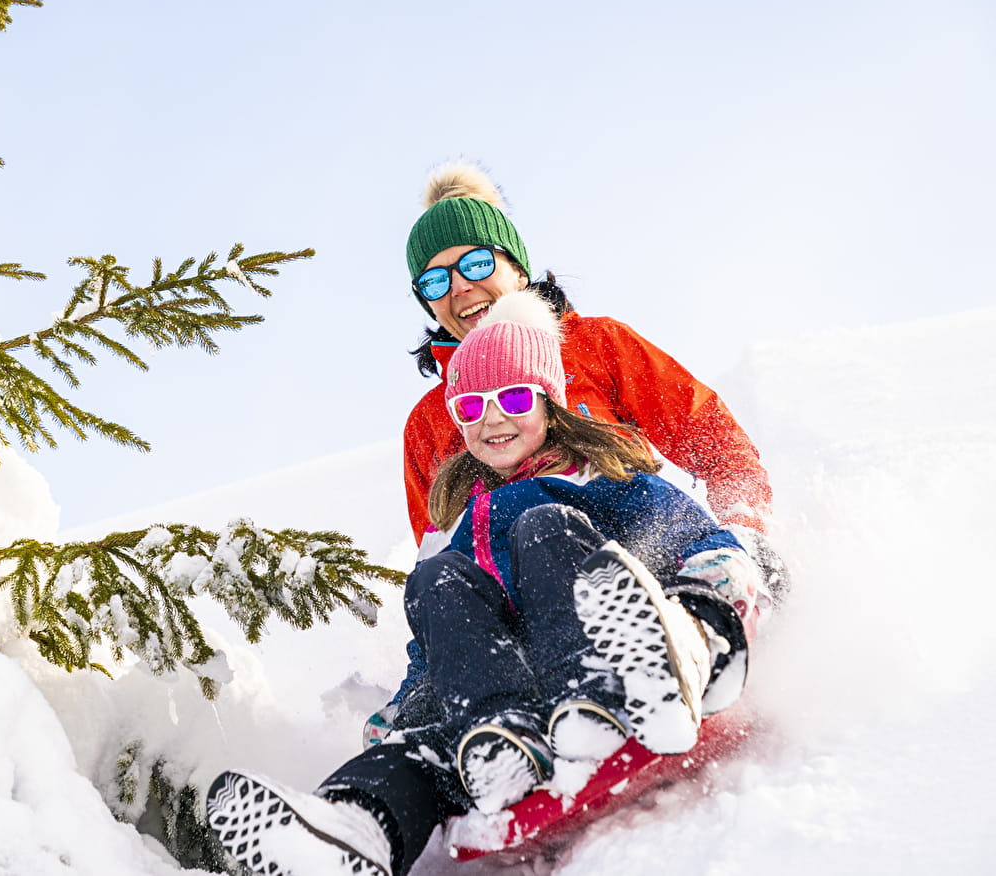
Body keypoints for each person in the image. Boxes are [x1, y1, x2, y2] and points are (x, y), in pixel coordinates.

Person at [205, 293, 767, 876]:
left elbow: (682, 529)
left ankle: (624, 686)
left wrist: (719, 577)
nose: (492, 418)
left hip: (608, 653)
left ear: (553, 402)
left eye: (515, 397)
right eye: (470, 407)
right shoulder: (458, 519)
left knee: (544, 527)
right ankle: (358, 823)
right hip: (501, 701)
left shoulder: (595, 476)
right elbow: (439, 641)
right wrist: (409, 702)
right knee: (434, 581)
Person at [399, 163, 781, 589]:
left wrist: (742, 537)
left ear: (517, 269)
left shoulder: (597, 346)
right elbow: (445, 557)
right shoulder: (430, 423)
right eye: (434, 281)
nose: (459, 287)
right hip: (531, 618)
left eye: (476, 263)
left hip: (646, 579)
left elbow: (714, 442)